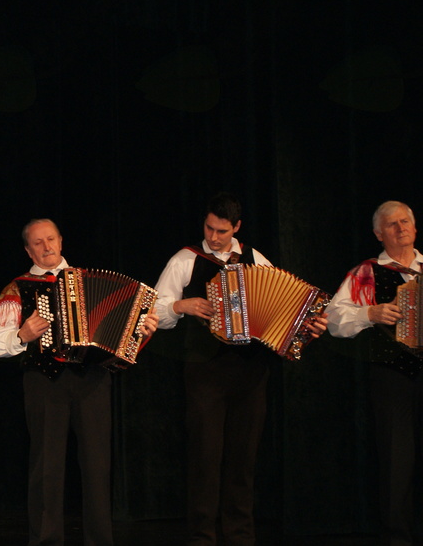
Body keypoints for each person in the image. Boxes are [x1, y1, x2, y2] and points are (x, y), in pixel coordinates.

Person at [152, 192, 326, 546]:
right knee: (205, 457)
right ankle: (202, 537)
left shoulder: (255, 259)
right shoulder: (186, 260)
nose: (214, 237)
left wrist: (308, 325)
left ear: (237, 227)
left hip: (250, 372)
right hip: (205, 372)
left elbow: (284, 304)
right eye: (209, 228)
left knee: (243, 460)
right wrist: (181, 306)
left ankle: (240, 536)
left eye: (222, 231)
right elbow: (153, 310)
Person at [0, 218, 158, 546]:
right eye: (38, 242)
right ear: (28, 250)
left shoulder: (87, 279)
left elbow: (122, 342)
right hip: (44, 380)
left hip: (92, 379)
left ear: (61, 241)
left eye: (51, 239)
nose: (46, 247)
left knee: (97, 466)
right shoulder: (19, 287)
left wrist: (142, 329)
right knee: (46, 466)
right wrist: (22, 335)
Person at [327, 200, 423, 546]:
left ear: (415, 226)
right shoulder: (366, 272)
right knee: (397, 462)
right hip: (393, 374)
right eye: (392, 224)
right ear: (378, 234)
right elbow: (333, 319)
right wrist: (370, 313)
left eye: (405, 221)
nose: (401, 228)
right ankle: (399, 539)